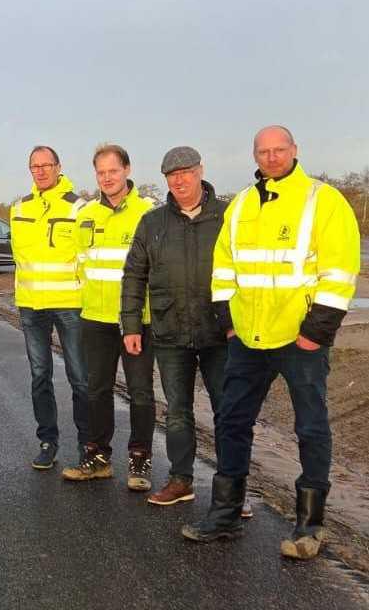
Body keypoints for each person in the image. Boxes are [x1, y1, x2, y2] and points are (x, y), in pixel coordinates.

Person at [183, 126, 361, 559]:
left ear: (295, 151)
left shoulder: (323, 200)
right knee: (231, 421)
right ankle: (225, 513)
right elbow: (223, 267)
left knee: (310, 428)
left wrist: (315, 333)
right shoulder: (243, 203)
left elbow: (339, 273)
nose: (272, 157)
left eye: (279, 149)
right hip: (247, 338)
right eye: (264, 151)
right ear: (255, 155)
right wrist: (228, 322)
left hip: (300, 339)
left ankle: (308, 526)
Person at [121, 147, 230, 506]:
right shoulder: (153, 223)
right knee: (178, 410)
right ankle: (181, 480)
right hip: (170, 332)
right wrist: (132, 325)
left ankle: (233, 488)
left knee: (228, 410)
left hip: (220, 332)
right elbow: (134, 275)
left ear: (201, 171)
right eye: (172, 174)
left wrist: (238, 324)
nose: (179, 180)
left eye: (185, 172)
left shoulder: (228, 217)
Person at [62, 144, 156, 490]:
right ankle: (98, 458)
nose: (107, 178)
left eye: (113, 171)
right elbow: (78, 262)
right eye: (101, 173)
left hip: (137, 321)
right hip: (95, 318)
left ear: (127, 170)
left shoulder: (148, 213)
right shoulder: (85, 215)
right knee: (96, 390)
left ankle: (140, 461)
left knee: (140, 392)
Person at [9, 145, 88, 470]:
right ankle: (48, 441)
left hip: (70, 304)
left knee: (79, 377)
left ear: (59, 167)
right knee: (40, 375)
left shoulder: (79, 207)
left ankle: (88, 444)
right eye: (34, 166)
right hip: (32, 306)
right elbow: (17, 256)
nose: (40, 171)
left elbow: (86, 257)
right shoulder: (18, 209)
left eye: (46, 165)